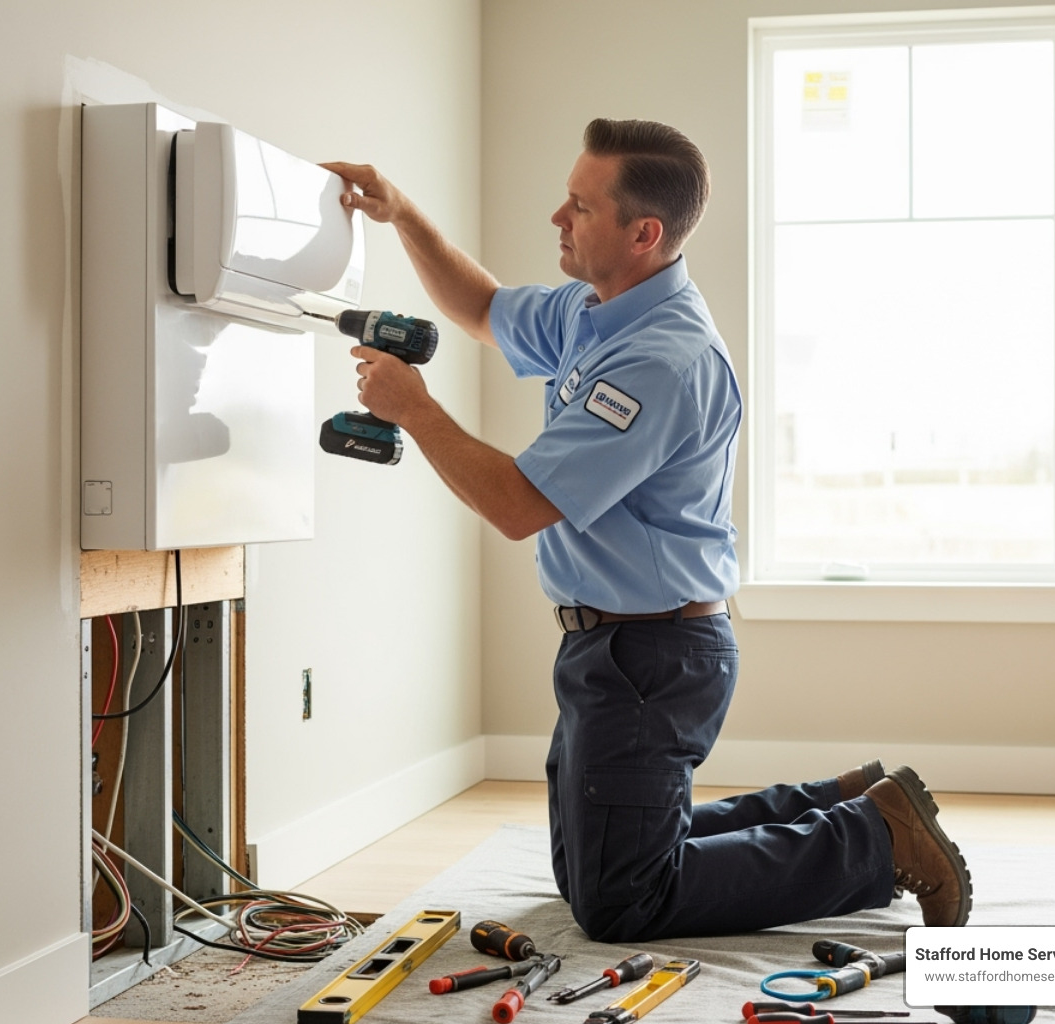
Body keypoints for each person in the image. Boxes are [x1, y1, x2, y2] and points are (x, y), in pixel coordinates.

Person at [322, 119, 970, 941]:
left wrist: (413, 409)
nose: (558, 217)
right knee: (590, 870)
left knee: (624, 899)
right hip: (613, 647)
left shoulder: (660, 359)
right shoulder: (598, 311)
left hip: (651, 655)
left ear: (643, 232)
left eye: (580, 206)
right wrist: (403, 213)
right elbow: (481, 309)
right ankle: (845, 800)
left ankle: (875, 839)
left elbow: (520, 507)